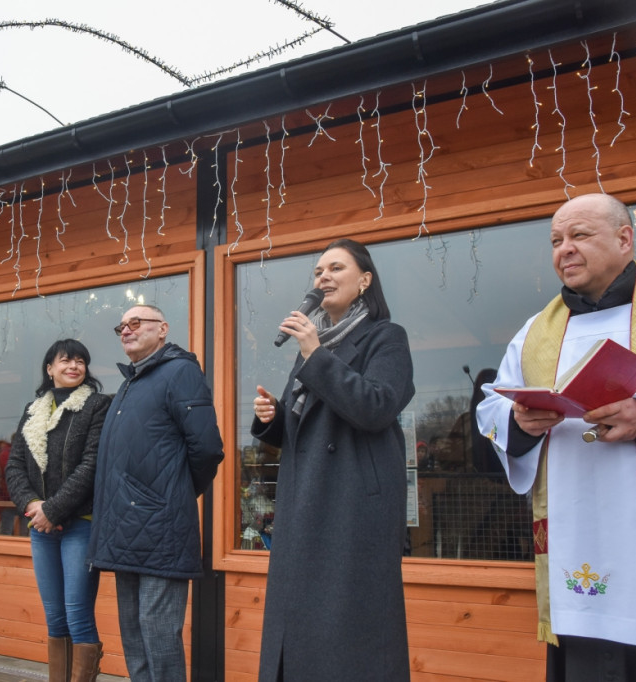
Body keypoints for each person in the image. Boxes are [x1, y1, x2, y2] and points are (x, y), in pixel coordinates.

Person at [476, 193, 636, 680]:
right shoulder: (536, 331)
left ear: (624, 238)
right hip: (575, 542)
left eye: (579, 235)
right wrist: (518, 421)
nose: (564, 249)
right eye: (555, 241)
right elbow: (490, 407)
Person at [251, 238, 414, 681]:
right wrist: (272, 419)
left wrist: (315, 355)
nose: (323, 277)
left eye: (336, 268)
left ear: (364, 281)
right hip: (304, 500)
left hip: (352, 506)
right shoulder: (314, 345)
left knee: (349, 634)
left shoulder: (385, 338)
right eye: (319, 270)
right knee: (299, 626)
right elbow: (305, 429)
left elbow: (377, 406)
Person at [88, 304, 224, 682]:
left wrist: (176, 493)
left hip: (161, 527)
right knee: (133, 634)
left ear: (162, 329)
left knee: (160, 636)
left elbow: (208, 448)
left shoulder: (180, 372)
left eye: (136, 323)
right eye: (121, 326)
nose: (126, 330)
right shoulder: (132, 382)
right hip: (124, 528)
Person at [6, 339, 112, 682]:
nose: (74, 366)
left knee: (78, 613)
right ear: (49, 368)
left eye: (81, 361)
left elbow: (92, 465)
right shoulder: (32, 409)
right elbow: (15, 466)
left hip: (80, 523)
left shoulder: (98, 405)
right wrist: (32, 505)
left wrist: (53, 509)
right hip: (41, 527)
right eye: (66, 360)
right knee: (55, 616)